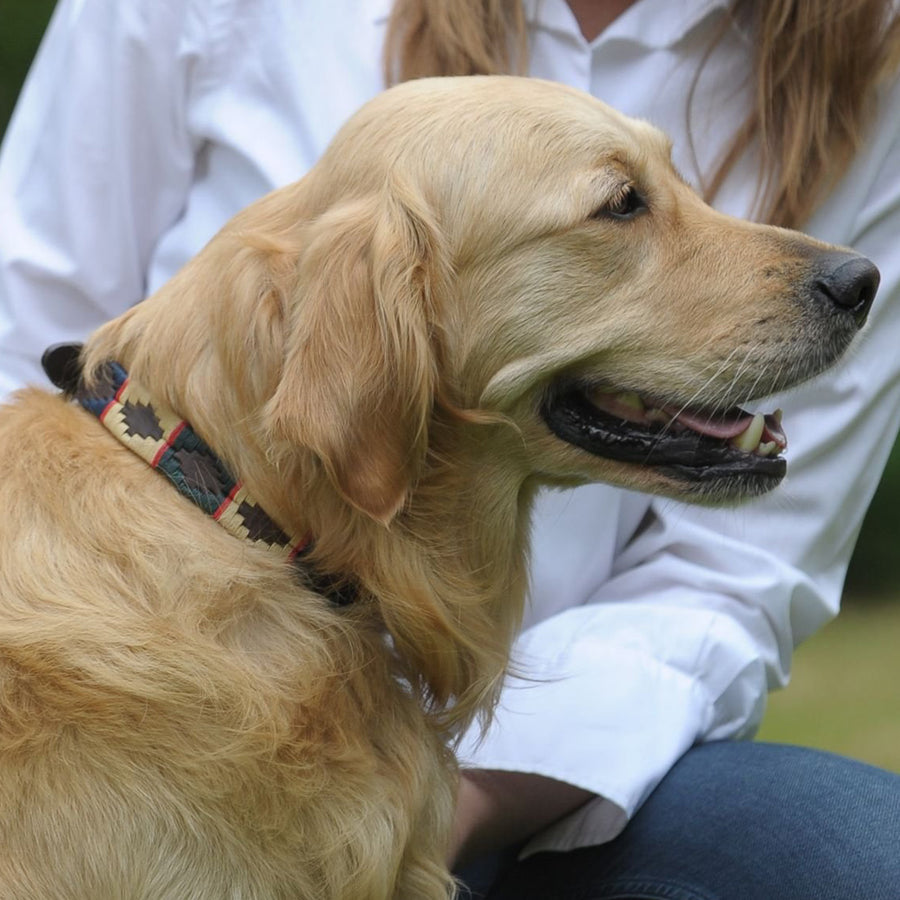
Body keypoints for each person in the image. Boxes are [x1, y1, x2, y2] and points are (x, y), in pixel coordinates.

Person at [2, 1, 900, 896]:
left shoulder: (865, 41)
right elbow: (21, 324)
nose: (832, 273)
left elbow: (733, 578)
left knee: (861, 850)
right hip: (166, 638)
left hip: (541, 786)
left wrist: (424, 801)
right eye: (622, 207)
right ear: (373, 345)